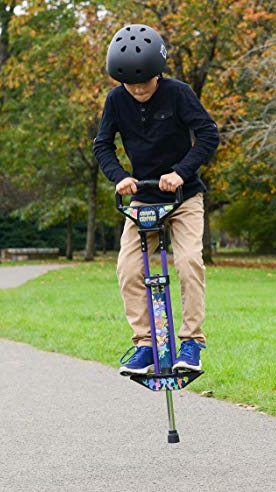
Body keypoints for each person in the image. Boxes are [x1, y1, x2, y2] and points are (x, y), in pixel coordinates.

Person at [93, 24, 220, 374]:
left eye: (144, 83)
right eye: (129, 85)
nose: (137, 90)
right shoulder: (117, 100)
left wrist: (181, 171)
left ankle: (191, 342)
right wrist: (120, 178)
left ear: (158, 73)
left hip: (183, 197)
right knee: (128, 268)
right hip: (143, 201)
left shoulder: (178, 94)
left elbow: (209, 134)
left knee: (189, 261)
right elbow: (102, 145)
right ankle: (145, 344)